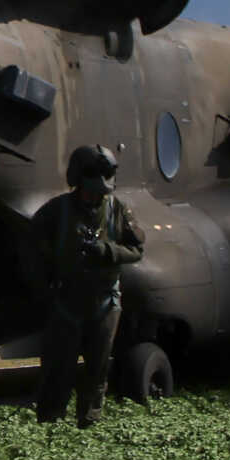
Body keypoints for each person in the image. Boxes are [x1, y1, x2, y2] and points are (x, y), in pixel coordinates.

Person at [31, 143, 145, 427]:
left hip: (105, 304)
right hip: (66, 302)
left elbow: (137, 249)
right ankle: (50, 424)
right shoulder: (56, 211)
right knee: (58, 370)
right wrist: (43, 284)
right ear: (77, 182)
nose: (95, 197)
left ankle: (90, 422)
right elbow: (33, 245)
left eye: (100, 192)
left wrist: (108, 251)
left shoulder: (117, 210)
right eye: (90, 190)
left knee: (98, 369)